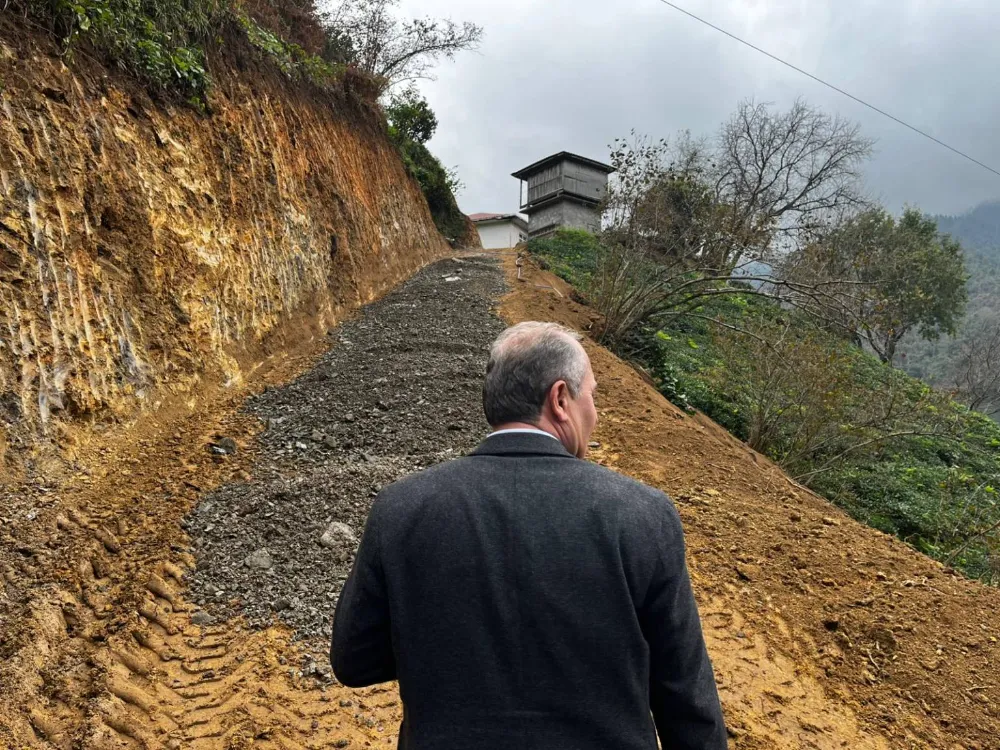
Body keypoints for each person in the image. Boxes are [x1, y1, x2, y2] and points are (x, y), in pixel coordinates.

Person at [330, 321, 728, 749]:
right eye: (591, 395)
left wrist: (445, 637)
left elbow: (355, 661)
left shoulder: (402, 506)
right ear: (560, 399)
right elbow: (685, 694)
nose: (595, 412)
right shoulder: (641, 513)